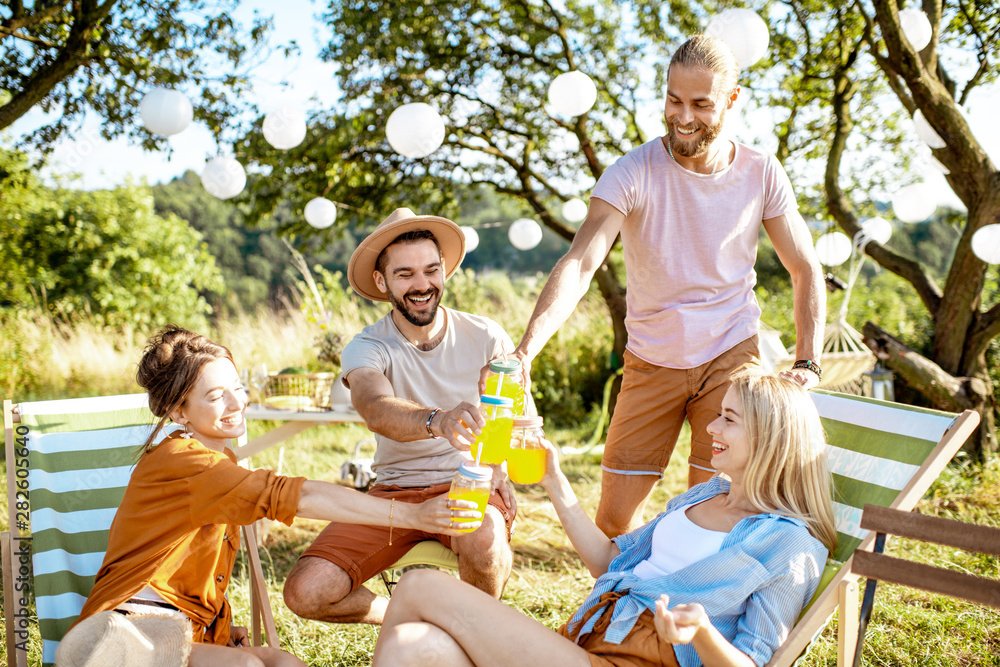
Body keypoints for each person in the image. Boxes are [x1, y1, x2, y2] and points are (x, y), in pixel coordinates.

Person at [502, 34, 826, 538]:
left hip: (730, 355)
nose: (683, 116)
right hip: (652, 359)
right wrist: (526, 350)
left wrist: (807, 361)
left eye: (701, 104)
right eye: (674, 100)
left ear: (732, 101)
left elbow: (805, 268)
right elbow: (581, 262)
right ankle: (620, 611)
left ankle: (696, 615)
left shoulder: (761, 172)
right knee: (614, 519)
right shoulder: (632, 172)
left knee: (717, 510)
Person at [66, 326, 480, 667]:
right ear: (178, 411)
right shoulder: (186, 463)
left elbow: (189, 566)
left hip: (186, 630)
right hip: (128, 632)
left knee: (286, 664)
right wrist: (414, 516)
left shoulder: (218, 459)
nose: (236, 403)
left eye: (238, 387)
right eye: (215, 396)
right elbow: (300, 496)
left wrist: (218, 626)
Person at [372, 371, 837, 667]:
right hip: (586, 643)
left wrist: (702, 632)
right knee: (412, 647)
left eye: (729, 420)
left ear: (769, 439)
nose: (712, 428)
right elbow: (609, 560)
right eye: (718, 415)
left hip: (635, 661)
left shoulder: (789, 545)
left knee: (418, 586)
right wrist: (554, 480)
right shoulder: (706, 494)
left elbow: (753, 664)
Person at [282, 208, 520, 627]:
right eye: (405, 274)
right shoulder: (368, 345)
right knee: (305, 592)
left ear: (444, 270)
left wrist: (500, 465)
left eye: (431, 270)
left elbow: (513, 415)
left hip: (469, 483)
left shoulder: (486, 335)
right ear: (381, 281)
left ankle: (475, 636)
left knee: (483, 531)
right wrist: (438, 420)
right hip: (393, 494)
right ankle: (412, 616)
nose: (422, 285)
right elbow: (375, 408)